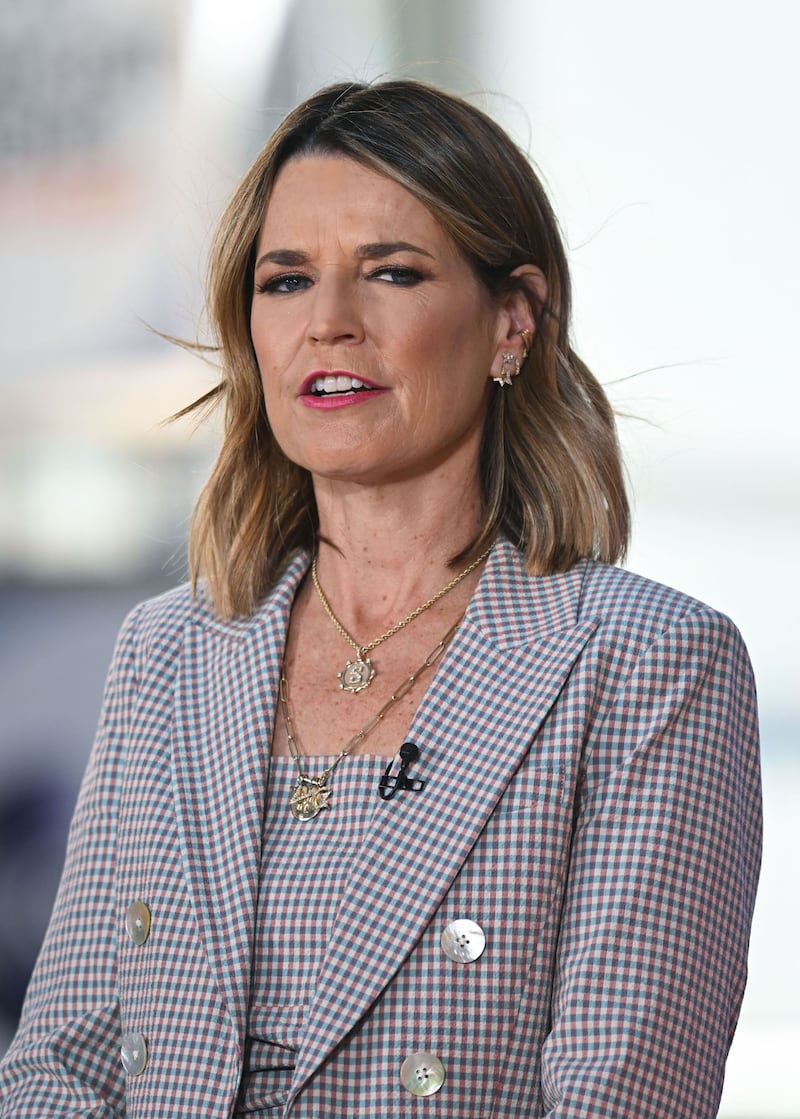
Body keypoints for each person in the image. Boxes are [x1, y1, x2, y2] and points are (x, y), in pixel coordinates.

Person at [0, 79, 761, 1118]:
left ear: (511, 323)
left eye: (391, 274)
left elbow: (623, 1096)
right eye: (286, 281)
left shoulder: (647, 663)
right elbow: (60, 1064)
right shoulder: (167, 652)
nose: (329, 325)